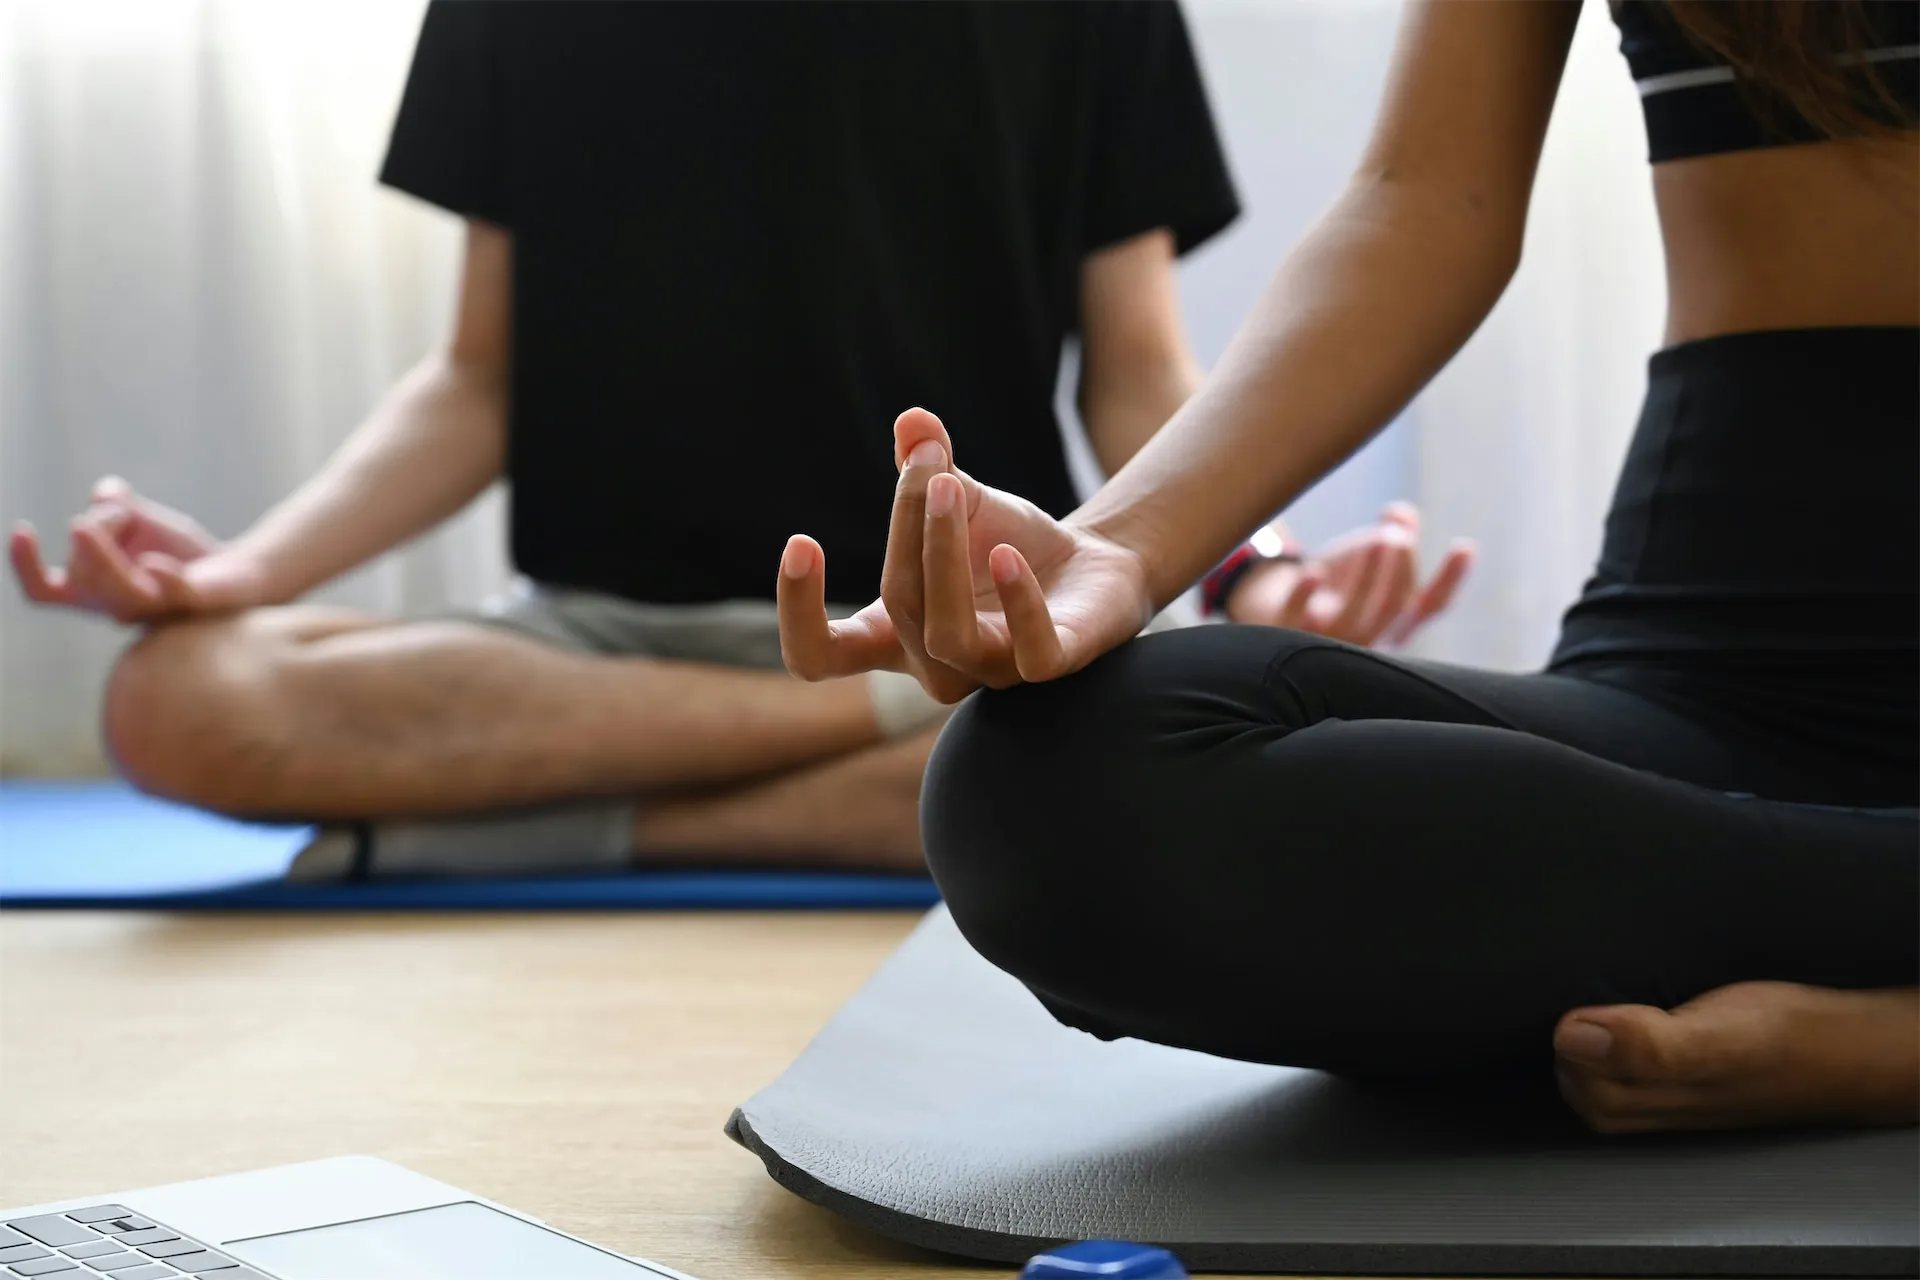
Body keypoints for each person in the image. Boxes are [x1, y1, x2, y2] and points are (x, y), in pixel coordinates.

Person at [778, 0, 1918, 1130]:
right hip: (1697, 659)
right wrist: (1121, 546)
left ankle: (1885, 1038)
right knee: (1035, 792)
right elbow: (1424, 203)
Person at [9, 1, 1470, 877]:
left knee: (1196, 760)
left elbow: (1139, 374)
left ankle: (520, 822)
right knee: (175, 698)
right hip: (597, 658)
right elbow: (475, 382)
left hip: (943, 640)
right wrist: (245, 575)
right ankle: (874, 740)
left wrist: (1257, 569)